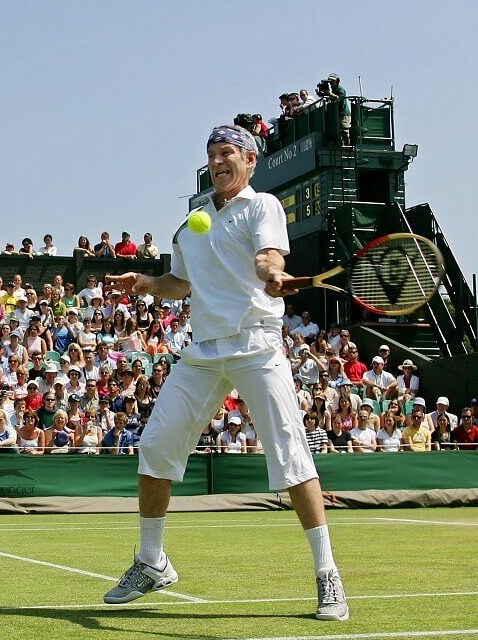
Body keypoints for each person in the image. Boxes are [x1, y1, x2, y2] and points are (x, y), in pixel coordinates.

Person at [101, 125, 347, 620]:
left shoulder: (263, 207)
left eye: (227, 153)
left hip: (255, 344)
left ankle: (327, 574)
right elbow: (178, 284)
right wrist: (145, 283)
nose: (218, 161)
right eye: (212, 155)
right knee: (155, 445)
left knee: (291, 455)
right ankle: (152, 562)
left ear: (250, 161)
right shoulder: (192, 223)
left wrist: (274, 273)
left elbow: (267, 256)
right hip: (203, 351)